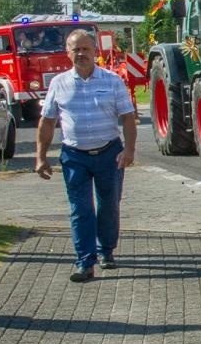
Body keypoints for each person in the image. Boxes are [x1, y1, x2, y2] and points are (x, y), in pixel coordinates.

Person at [33, 29, 137, 283]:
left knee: (109, 205)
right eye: (75, 49)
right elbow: (47, 122)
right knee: (80, 209)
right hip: (74, 156)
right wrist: (40, 157)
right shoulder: (59, 83)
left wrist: (129, 150)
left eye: (85, 49)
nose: (81, 54)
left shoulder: (112, 81)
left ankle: (106, 250)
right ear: (68, 53)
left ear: (95, 52)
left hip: (109, 154)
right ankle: (85, 262)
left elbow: (127, 118)